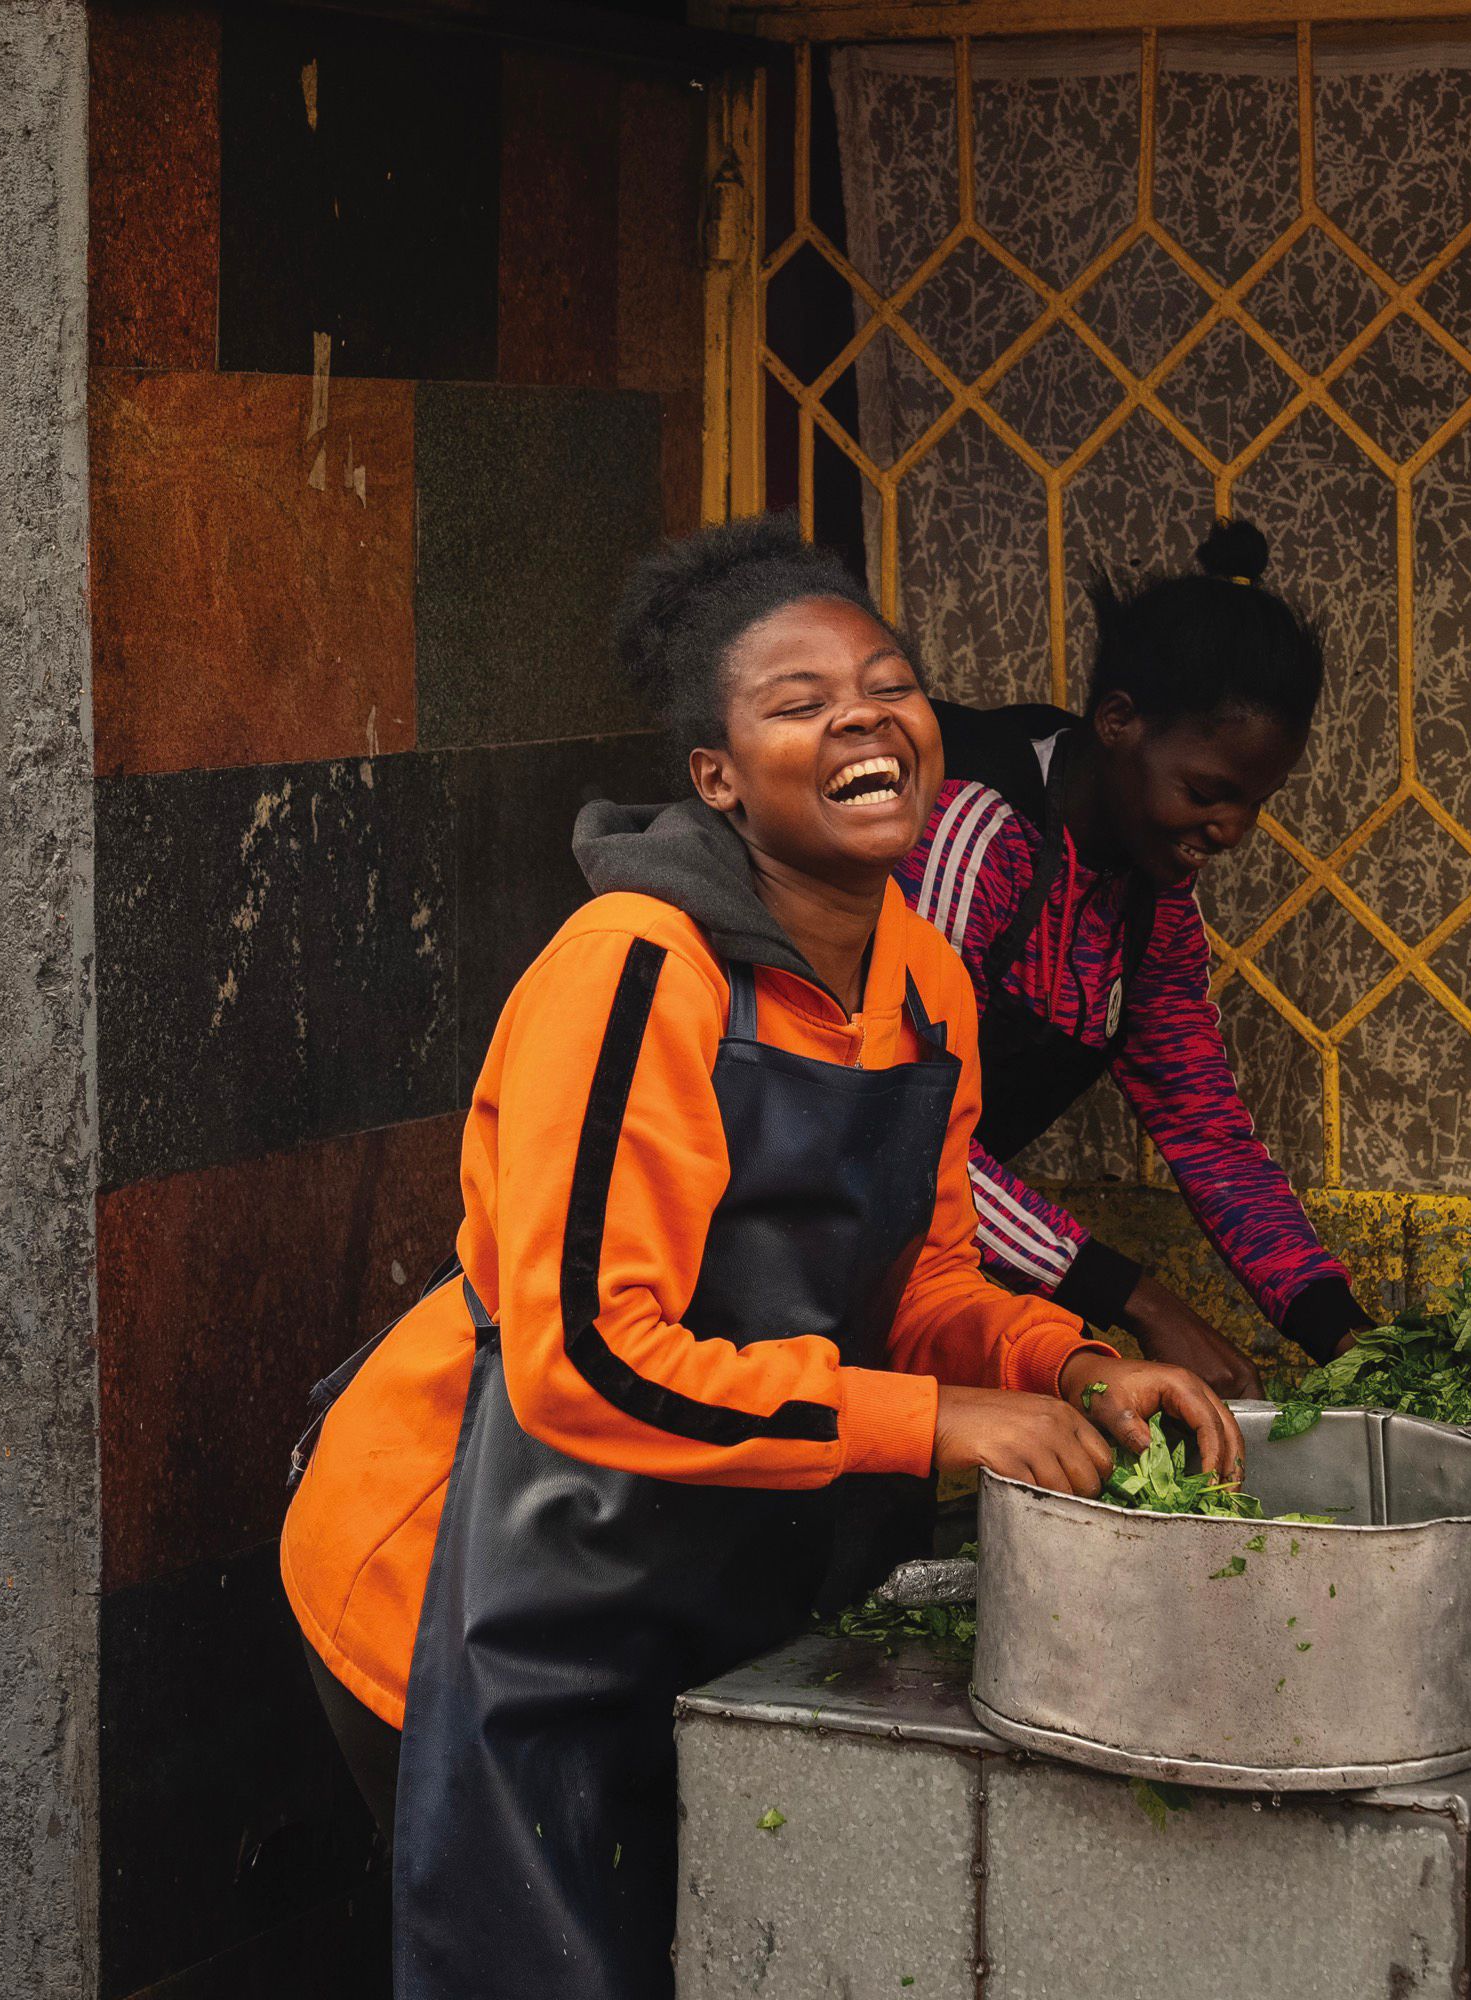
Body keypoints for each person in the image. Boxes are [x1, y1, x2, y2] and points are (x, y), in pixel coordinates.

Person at [278, 517, 1240, 2000]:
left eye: (888, 683)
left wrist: (1074, 1364)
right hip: (473, 1587)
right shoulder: (631, 975)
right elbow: (586, 1361)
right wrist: (938, 1425)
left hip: (699, 1574)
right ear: (719, 780)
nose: (861, 714)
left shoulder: (922, 975)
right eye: (797, 703)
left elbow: (916, 1286)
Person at [897, 518, 1373, 1400]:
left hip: (916, 1254)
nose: (1230, 832)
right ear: (1117, 720)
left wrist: (1345, 1335)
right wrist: (1143, 1302)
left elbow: (1205, 1129)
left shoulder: (1153, 904)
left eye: (1254, 806)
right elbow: (906, 1131)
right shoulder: (973, 834)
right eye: (1205, 793)